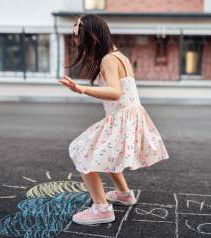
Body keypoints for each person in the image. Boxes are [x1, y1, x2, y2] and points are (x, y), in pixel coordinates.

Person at [58, 14, 170, 225]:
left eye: (77, 35)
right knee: (108, 154)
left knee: (82, 151)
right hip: (129, 117)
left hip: (123, 118)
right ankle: (124, 194)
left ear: (91, 37)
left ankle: (101, 209)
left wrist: (82, 89)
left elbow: (115, 92)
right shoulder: (118, 55)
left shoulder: (108, 59)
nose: (75, 40)